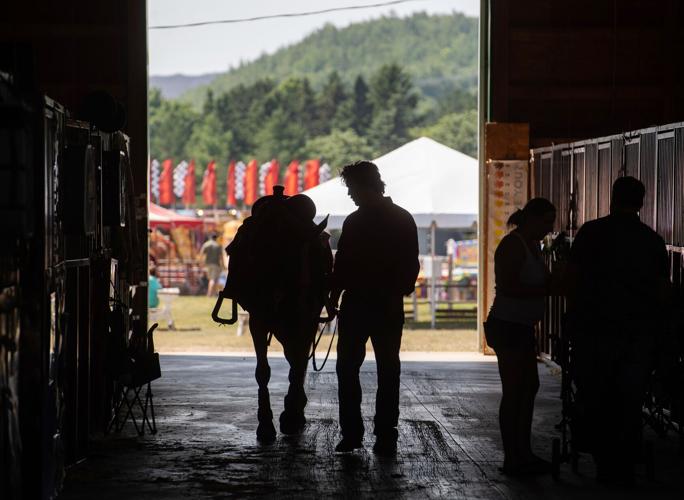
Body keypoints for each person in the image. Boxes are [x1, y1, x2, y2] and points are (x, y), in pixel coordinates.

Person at [565, 176, 669, 483]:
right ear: (642, 203)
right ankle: (624, 457)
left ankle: (601, 455)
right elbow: (663, 290)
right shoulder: (652, 241)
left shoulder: (590, 233)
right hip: (636, 332)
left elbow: (571, 277)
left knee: (595, 391)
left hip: (592, 328)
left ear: (611, 199)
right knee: (630, 396)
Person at [331, 160, 420, 455]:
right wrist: (395, 291)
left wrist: (334, 296)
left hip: (358, 304)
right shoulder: (402, 219)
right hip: (386, 305)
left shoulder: (354, 222)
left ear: (364, 186)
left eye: (352, 188)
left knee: (347, 368)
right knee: (387, 368)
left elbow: (341, 267)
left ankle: (352, 434)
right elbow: (410, 267)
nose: (350, 195)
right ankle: (385, 434)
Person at [484, 198, 556, 475]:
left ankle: (523, 452)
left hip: (522, 325)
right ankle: (513, 455)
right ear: (532, 220)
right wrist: (546, 291)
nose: (549, 228)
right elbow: (510, 286)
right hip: (508, 324)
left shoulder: (533, 246)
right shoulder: (513, 246)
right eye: (546, 222)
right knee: (515, 391)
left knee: (528, 388)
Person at [200, 233, 224, 297]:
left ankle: (213, 294)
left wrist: (201, 263)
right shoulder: (218, 245)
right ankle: (209, 294)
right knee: (213, 279)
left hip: (208, 264)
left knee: (211, 279)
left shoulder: (206, 244)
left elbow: (201, 254)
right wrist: (223, 265)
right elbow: (221, 257)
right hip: (216, 264)